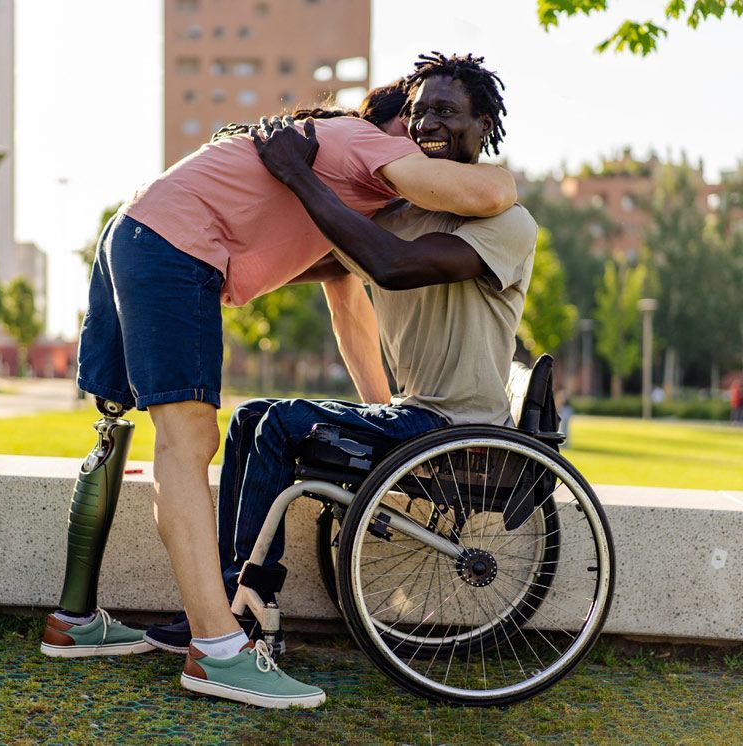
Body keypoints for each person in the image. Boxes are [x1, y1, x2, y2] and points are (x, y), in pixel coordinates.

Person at [40, 63, 518, 709]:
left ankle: (74, 619)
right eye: (413, 123)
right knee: (186, 444)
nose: (420, 141)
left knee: (115, 425)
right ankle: (218, 649)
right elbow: (488, 192)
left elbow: (348, 306)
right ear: (388, 131)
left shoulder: (339, 183)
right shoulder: (364, 144)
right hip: (174, 245)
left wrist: (386, 421)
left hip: (134, 231)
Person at [146, 52, 539, 656]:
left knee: (276, 423)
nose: (427, 124)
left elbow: (392, 266)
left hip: (456, 424)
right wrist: (210, 245)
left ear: (483, 123)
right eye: (419, 112)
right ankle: (229, 603)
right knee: (252, 418)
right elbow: (310, 259)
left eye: (446, 111)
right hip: (413, 414)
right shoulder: (395, 215)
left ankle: (247, 606)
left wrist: (300, 176)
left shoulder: (506, 222)